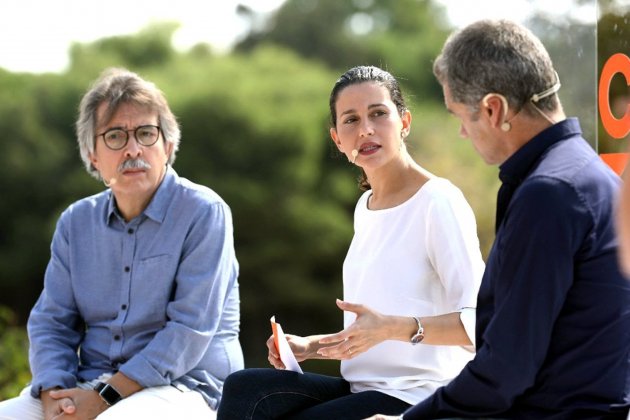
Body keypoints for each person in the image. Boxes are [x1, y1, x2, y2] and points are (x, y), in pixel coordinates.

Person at [368, 19, 630, 420]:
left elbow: (506, 370)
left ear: (494, 109)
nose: (460, 132)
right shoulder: (592, 176)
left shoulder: (550, 194)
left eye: (460, 115)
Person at [217, 65, 485, 419]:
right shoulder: (366, 207)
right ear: (337, 139)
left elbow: (480, 322)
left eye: (378, 114)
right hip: (362, 387)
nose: (366, 130)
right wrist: (311, 346)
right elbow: (369, 333)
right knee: (244, 391)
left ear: (404, 123)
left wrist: (394, 327)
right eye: (351, 120)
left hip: (418, 395)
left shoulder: (438, 201)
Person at [0, 68, 243, 419]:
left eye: (146, 133)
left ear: (168, 145)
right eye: (115, 136)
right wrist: (54, 393)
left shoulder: (205, 212)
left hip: (186, 388)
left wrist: (103, 398)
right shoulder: (75, 222)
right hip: (90, 383)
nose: (133, 149)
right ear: (92, 155)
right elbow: (52, 322)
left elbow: (189, 329)